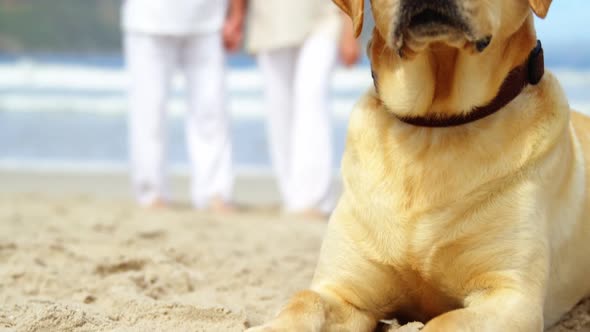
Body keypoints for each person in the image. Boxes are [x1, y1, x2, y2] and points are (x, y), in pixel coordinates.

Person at [236, 1, 361, 217]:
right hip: (269, 19)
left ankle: (314, 199)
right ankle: (293, 196)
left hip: (324, 16)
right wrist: (236, 17)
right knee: (279, 109)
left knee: (312, 97)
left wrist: (350, 30)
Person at [121, 0, 245, 211]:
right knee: (149, 112)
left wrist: (236, 14)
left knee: (212, 111)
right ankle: (151, 192)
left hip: (208, 19)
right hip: (147, 18)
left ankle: (215, 192)